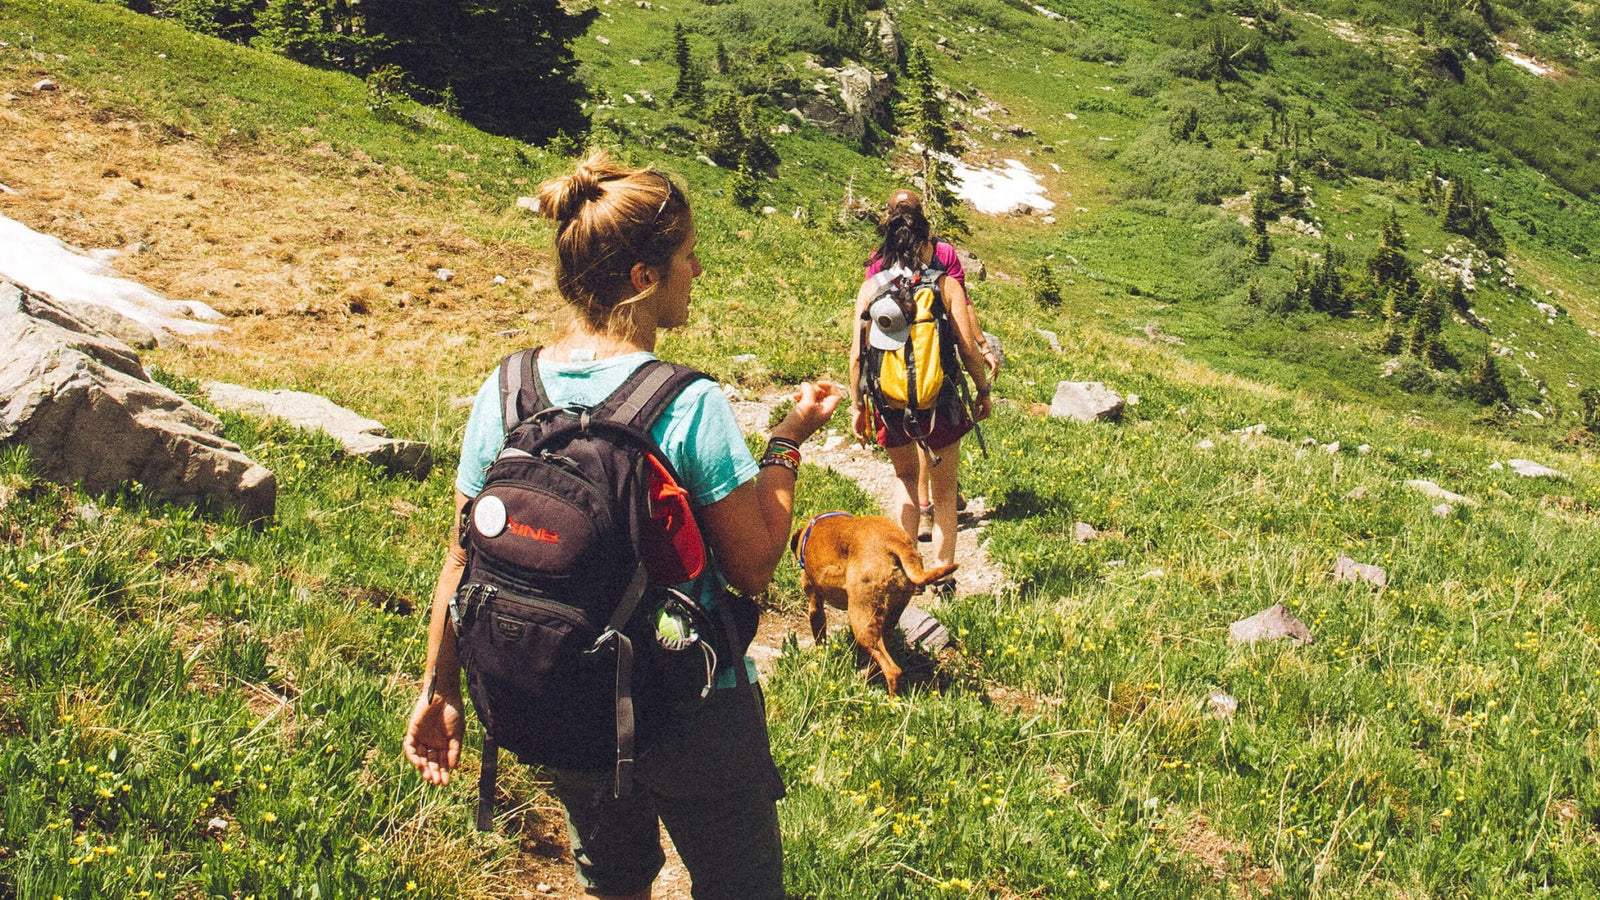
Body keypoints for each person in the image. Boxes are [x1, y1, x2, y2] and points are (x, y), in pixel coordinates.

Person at [403, 150, 841, 900]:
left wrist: (439, 690)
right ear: (644, 277)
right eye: (686, 256)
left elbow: (460, 559)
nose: (697, 270)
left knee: (613, 879)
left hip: (564, 690)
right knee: (740, 885)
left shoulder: (507, 388)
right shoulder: (686, 403)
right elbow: (754, 565)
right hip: (690, 701)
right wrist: (786, 442)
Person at [849, 200, 992, 592]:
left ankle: (906, 571)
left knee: (906, 478)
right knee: (944, 493)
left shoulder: (871, 288)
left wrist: (858, 406)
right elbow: (967, 348)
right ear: (927, 242)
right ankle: (943, 575)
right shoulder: (945, 285)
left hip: (889, 402)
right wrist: (982, 390)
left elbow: (858, 354)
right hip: (939, 400)